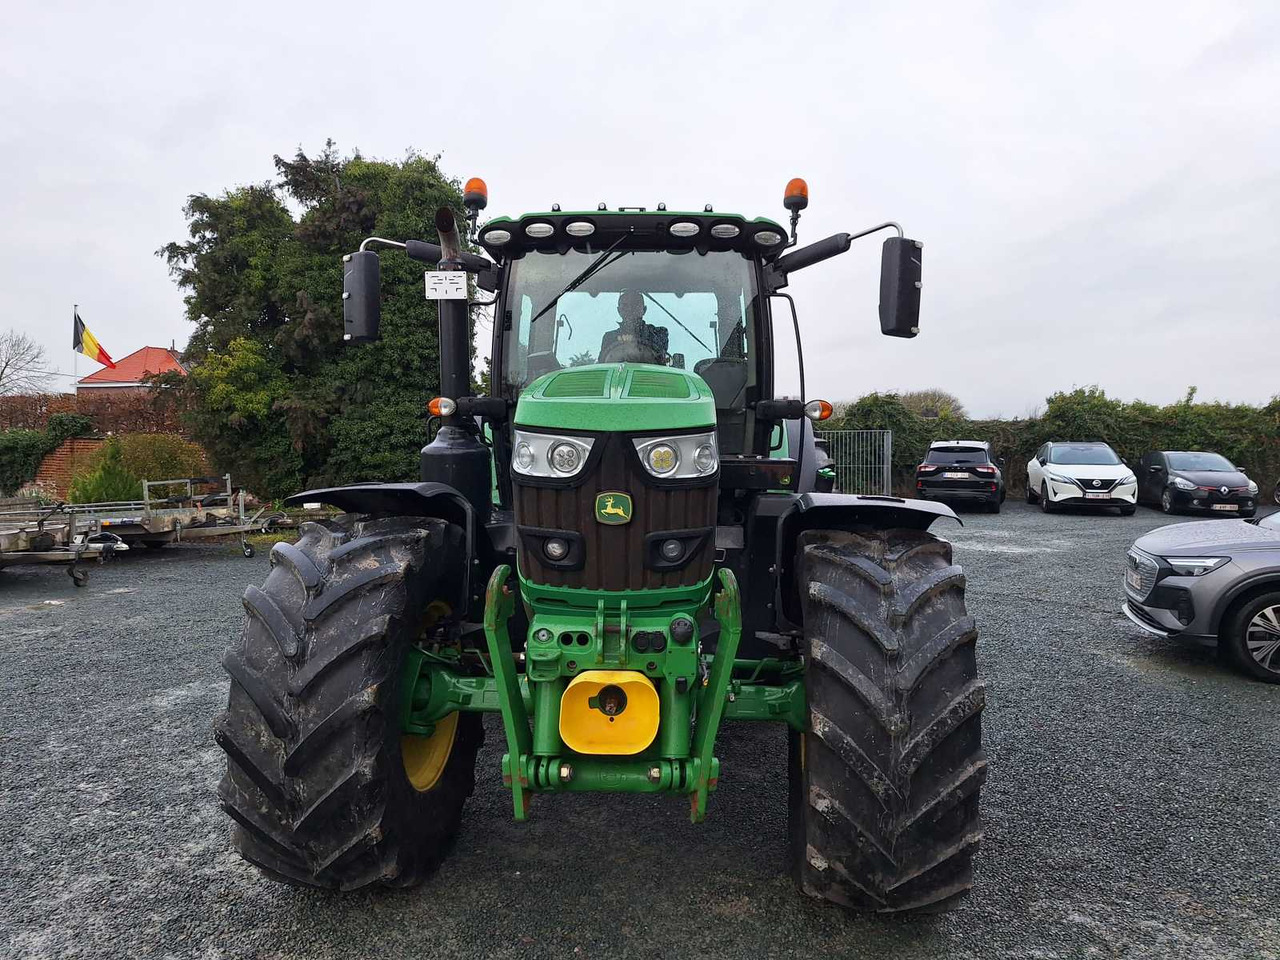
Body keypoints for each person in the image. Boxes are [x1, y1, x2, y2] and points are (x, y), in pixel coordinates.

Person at [598, 290, 667, 363]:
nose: (630, 309)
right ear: (619, 310)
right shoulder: (609, 337)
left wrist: (634, 342)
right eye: (625, 306)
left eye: (635, 305)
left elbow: (661, 357)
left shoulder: (658, 333)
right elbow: (602, 363)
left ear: (644, 310)